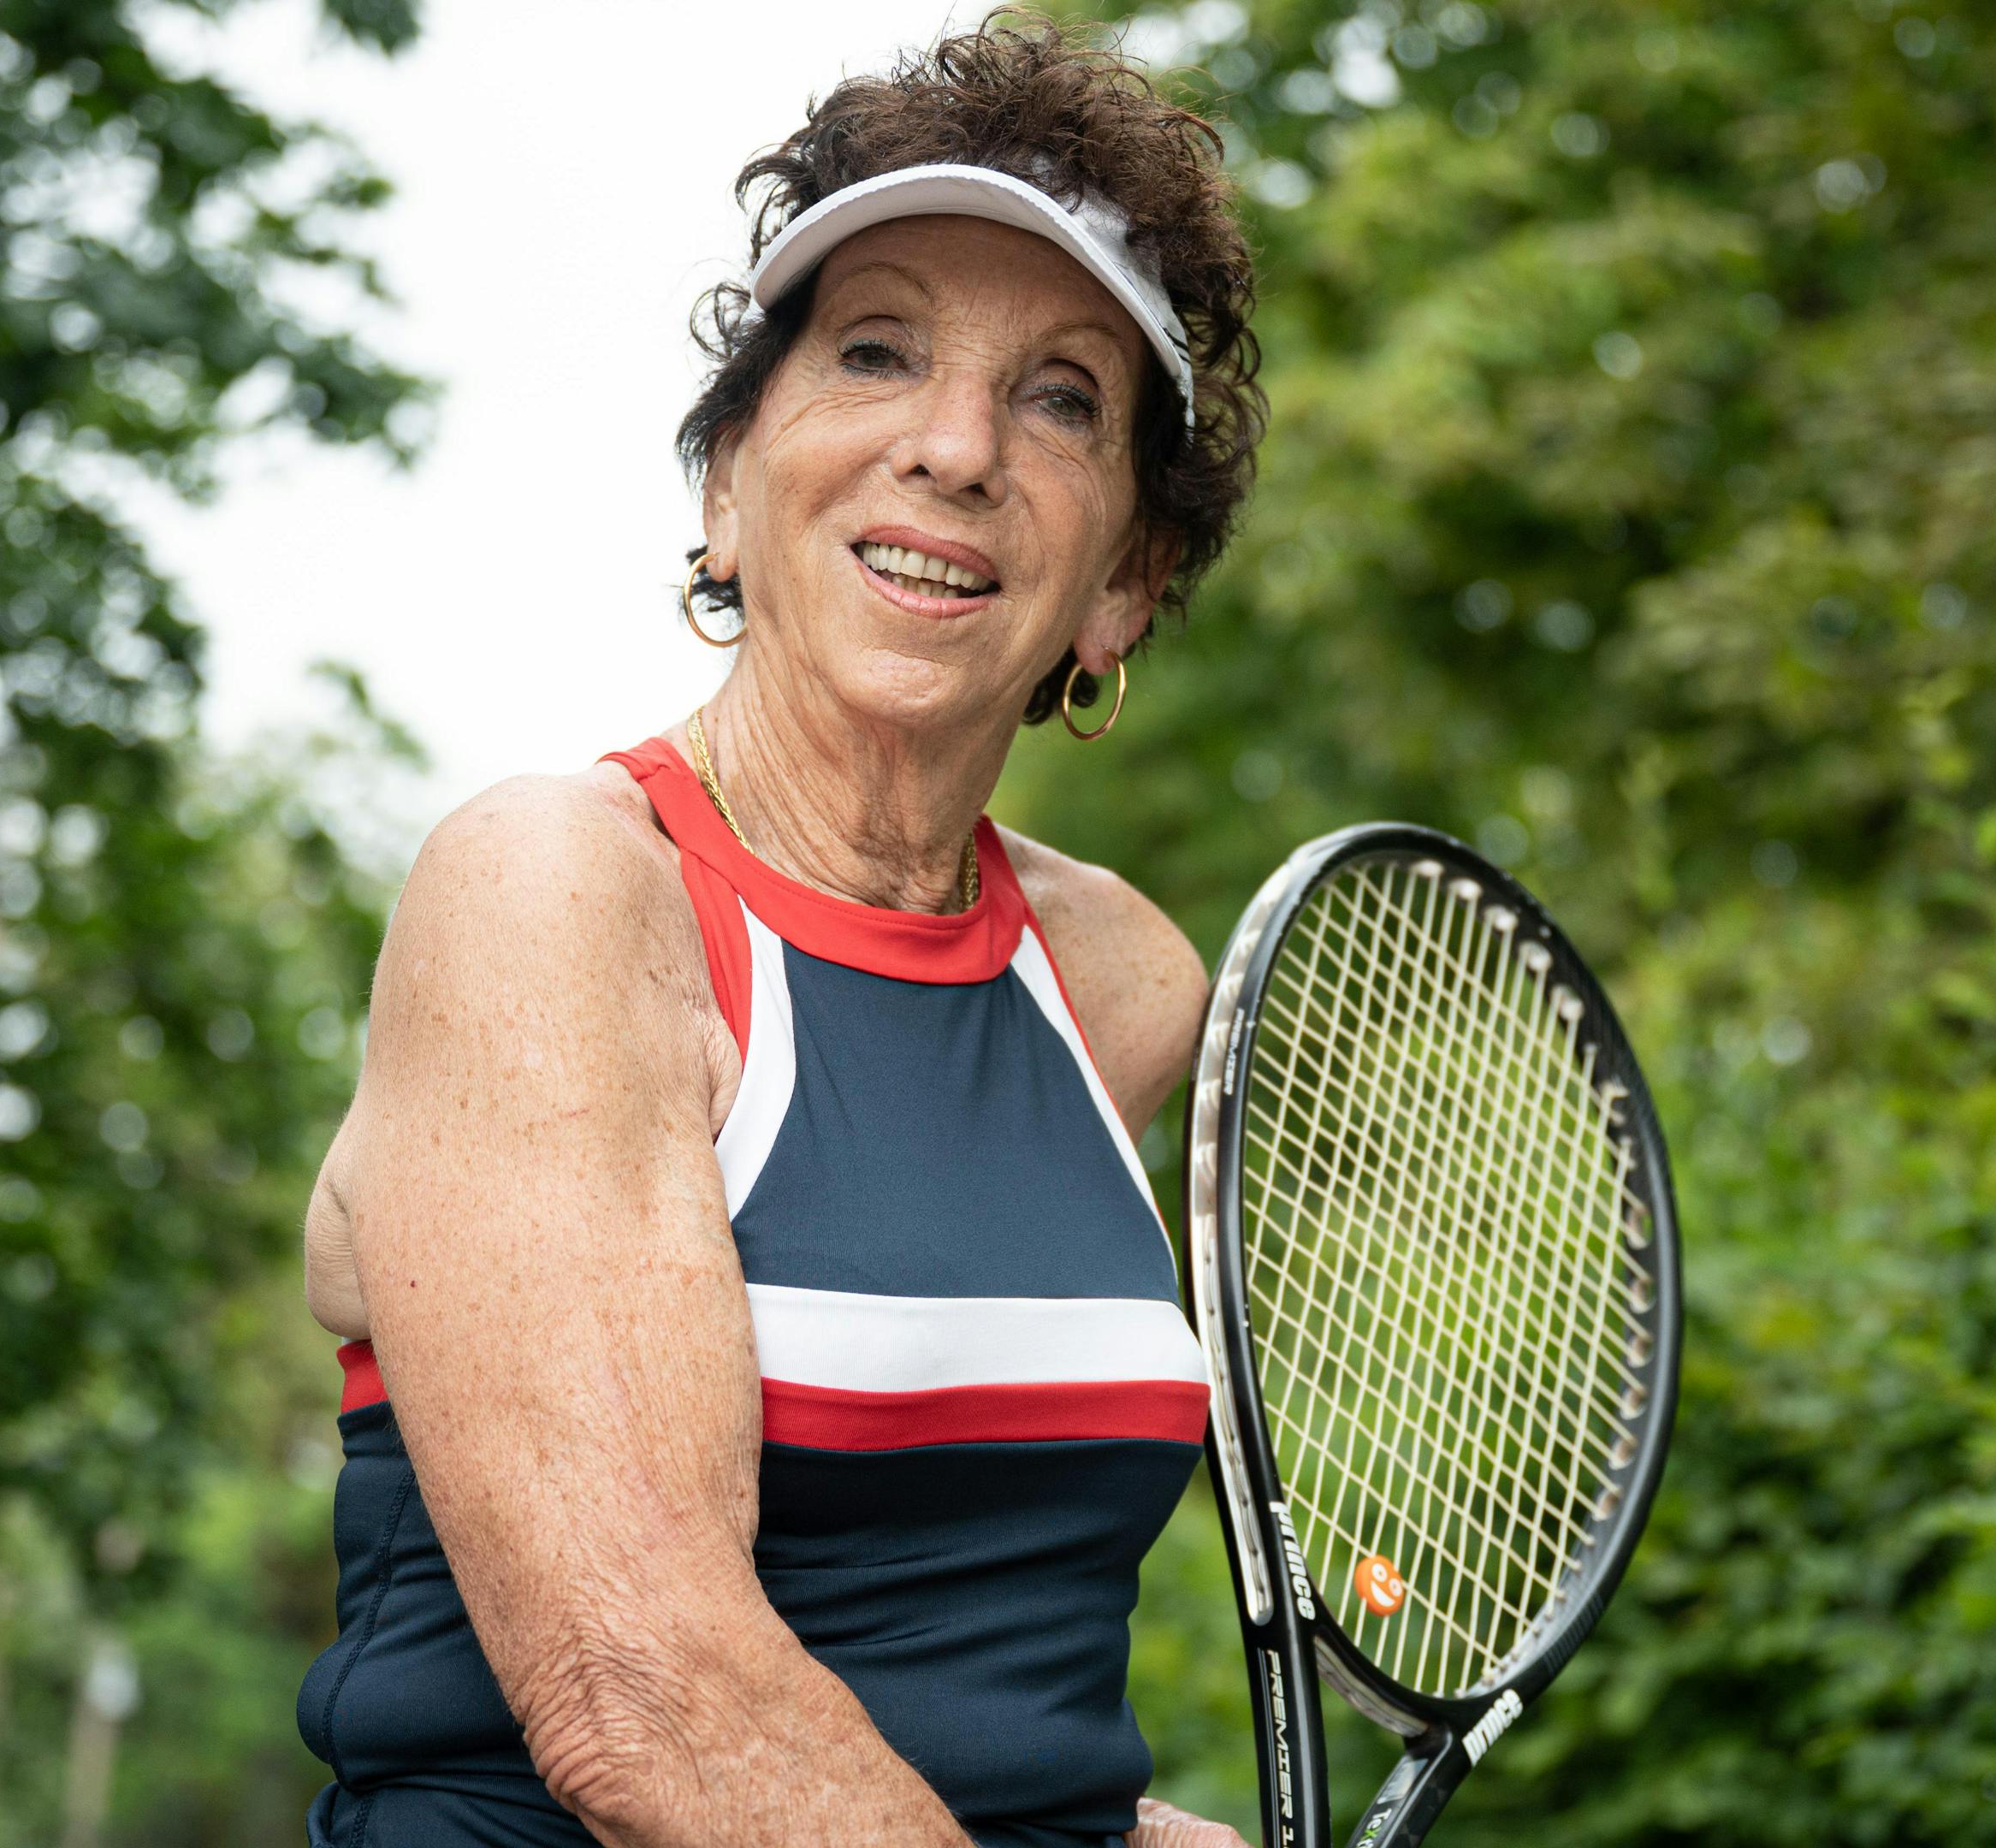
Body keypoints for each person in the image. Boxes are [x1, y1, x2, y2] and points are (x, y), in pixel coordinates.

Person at [290, 16, 1269, 1845]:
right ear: (729, 486)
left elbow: (984, 1696)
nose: (958, 447)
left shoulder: (1125, 985)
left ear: (1126, 583)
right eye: (878, 351)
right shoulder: (554, 895)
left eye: (1062, 397)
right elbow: (646, 1701)